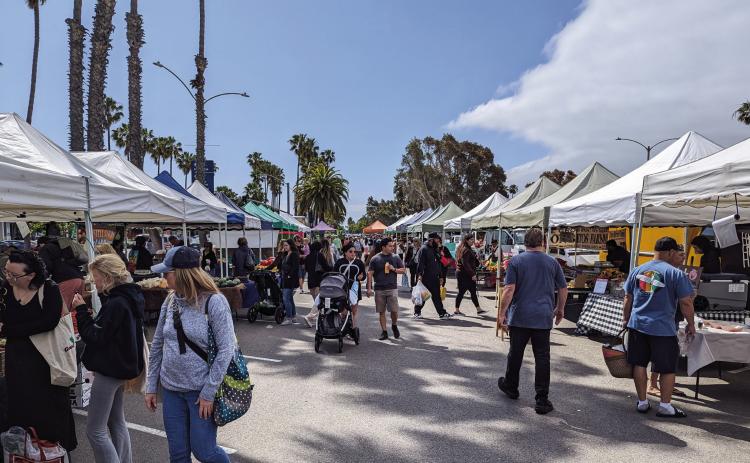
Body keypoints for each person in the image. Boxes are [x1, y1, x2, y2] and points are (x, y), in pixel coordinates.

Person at [145, 246, 235, 462]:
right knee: (177, 454)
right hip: (171, 390)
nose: (163, 276)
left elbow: (226, 349)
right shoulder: (170, 300)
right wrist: (150, 386)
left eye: (167, 272)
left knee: (205, 452)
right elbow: (157, 344)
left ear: (183, 274)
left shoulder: (214, 301)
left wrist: (208, 392)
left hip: (199, 393)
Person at [0, 251, 77, 453]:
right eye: (6, 271)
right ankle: (25, 452)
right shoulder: (5, 289)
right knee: (18, 405)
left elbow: (49, 322)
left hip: (47, 358)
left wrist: (10, 330)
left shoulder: (49, 289)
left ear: (31, 275)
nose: (8, 277)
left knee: (48, 410)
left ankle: (53, 453)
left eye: (14, 275)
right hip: (16, 358)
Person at [72, 255, 145, 463]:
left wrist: (80, 311)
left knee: (95, 431)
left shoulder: (117, 302)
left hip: (111, 368)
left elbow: (96, 337)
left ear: (107, 276)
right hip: (122, 366)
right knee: (116, 422)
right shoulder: (129, 297)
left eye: (95, 276)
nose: (93, 281)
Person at [497, 228, 567, 415]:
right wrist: (560, 309)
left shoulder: (516, 261)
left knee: (516, 353)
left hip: (520, 315)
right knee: (542, 357)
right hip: (543, 316)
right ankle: (542, 399)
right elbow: (562, 288)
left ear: (525, 242)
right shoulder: (552, 262)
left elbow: (509, 289)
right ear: (543, 241)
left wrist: (502, 313)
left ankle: (511, 386)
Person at [622, 237, 695, 418]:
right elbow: (686, 302)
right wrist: (691, 324)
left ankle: (642, 402)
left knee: (639, 364)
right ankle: (665, 406)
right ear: (670, 252)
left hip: (637, 324)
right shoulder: (676, 274)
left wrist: (625, 320)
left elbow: (627, 298)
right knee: (667, 368)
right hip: (663, 327)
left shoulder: (637, 270)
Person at [648, 244, 688, 398]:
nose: (683, 257)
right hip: (661, 320)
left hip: (674, 317)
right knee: (661, 354)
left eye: (684, 255)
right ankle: (652, 385)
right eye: (680, 254)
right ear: (671, 254)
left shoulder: (680, 273)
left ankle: (669, 385)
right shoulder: (665, 272)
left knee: (671, 354)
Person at [367, 238, 407, 340]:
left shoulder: (395, 257)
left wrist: (393, 269)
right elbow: (370, 274)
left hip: (392, 288)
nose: (392, 248)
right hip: (379, 289)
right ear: (383, 247)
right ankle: (384, 331)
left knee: (394, 310)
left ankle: (394, 325)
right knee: (381, 312)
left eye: (392, 246)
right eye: (390, 246)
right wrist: (369, 288)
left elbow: (403, 270)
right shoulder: (375, 259)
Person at [38, 235, 86, 311]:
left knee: (62, 310)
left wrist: (40, 280)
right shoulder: (63, 245)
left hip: (65, 280)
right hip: (80, 278)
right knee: (77, 309)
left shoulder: (46, 248)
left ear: (41, 244)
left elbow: (44, 267)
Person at [414, 233, 452, 320]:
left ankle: (442, 313)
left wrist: (441, 276)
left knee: (436, 296)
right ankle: (417, 312)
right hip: (426, 277)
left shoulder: (435, 249)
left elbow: (439, 264)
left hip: (435, 277)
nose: (438, 240)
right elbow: (420, 264)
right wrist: (419, 275)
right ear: (431, 239)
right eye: (437, 239)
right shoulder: (424, 249)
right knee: (423, 296)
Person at [335, 243, 366, 329]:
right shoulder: (339, 262)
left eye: (354, 251)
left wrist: (362, 277)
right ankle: (342, 327)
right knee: (344, 311)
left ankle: (354, 330)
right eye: (350, 251)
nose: (353, 253)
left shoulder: (359, 263)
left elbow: (364, 275)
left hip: (354, 288)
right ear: (345, 252)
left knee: (354, 310)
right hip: (342, 289)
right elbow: (334, 274)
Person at [454, 234, 486, 316]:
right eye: (471, 240)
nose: (473, 241)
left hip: (464, 273)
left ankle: (478, 309)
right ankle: (457, 310)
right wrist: (472, 274)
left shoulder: (466, 248)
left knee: (472, 291)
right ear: (466, 240)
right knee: (462, 292)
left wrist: (478, 262)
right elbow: (466, 264)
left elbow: (472, 261)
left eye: (473, 240)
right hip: (464, 274)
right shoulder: (466, 250)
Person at [272, 240, 301, 326]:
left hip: (290, 279)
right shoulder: (285, 254)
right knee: (290, 298)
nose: (285, 247)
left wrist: (290, 275)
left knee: (285, 298)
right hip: (285, 278)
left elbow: (295, 267)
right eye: (284, 246)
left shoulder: (294, 254)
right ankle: (293, 316)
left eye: (286, 245)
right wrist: (280, 253)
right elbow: (278, 265)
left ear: (291, 245)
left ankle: (289, 318)